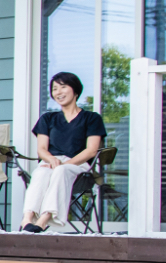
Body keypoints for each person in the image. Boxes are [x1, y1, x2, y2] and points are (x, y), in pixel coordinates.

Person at [19, 72, 106, 233]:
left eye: (63, 87)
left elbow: (91, 150)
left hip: (78, 165)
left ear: (75, 90)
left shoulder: (91, 118)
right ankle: (27, 219)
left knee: (60, 170)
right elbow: (41, 149)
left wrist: (63, 164)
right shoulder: (47, 118)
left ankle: (44, 219)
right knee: (40, 173)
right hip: (52, 161)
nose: (58, 92)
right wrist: (51, 160)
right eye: (54, 89)